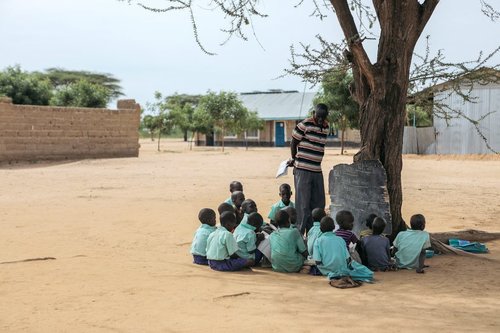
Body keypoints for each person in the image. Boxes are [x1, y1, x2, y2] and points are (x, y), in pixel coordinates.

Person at [288, 103, 329, 235]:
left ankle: (313, 233)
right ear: (314, 113)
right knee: (303, 205)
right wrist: (294, 159)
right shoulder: (304, 125)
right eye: (319, 117)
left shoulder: (326, 127)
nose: (321, 119)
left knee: (318, 203)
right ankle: (299, 234)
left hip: (317, 170)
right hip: (303, 170)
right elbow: (293, 142)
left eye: (323, 117)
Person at [313, 216, 373, 282]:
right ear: (333, 227)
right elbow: (348, 259)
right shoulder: (341, 239)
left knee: (311, 268)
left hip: (325, 270)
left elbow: (317, 261)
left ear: (320, 229)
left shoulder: (318, 241)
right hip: (342, 270)